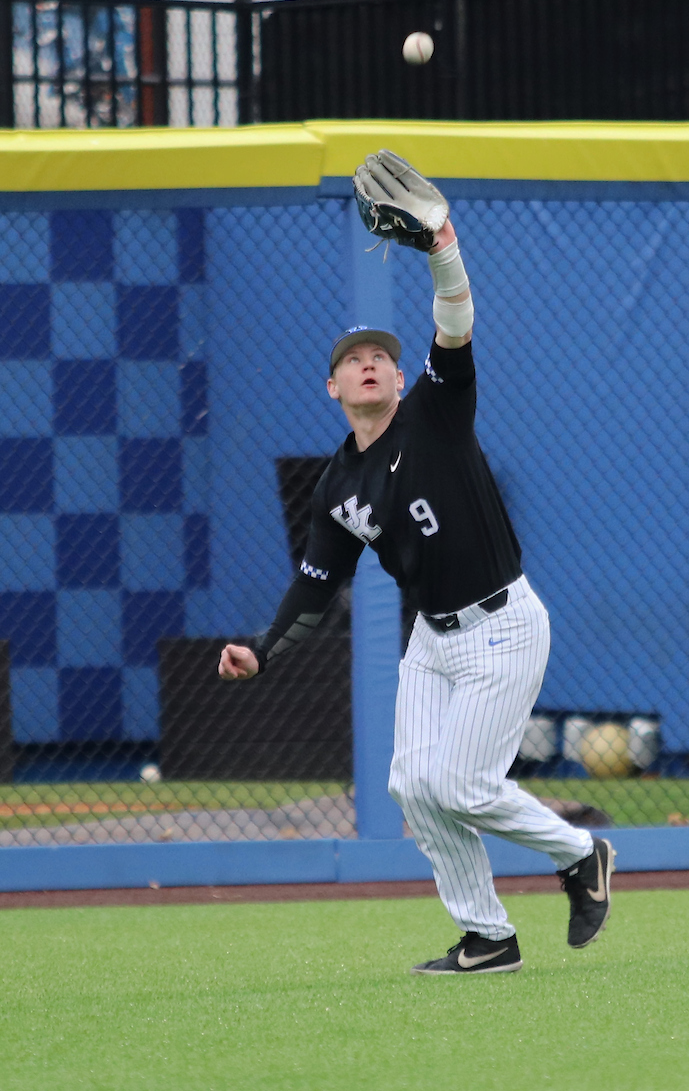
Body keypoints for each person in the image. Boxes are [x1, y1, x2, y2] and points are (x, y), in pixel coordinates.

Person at [219, 151, 615, 974]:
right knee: (411, 787)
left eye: (382, 356)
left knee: (463, 787)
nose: (370, 361)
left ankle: (581, 855)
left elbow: (456, 318)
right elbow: (316, 586)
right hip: (434, 643)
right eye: (353, 359)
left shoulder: (436, 408)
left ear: (402, 377)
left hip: (503, 626)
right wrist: (260, 646)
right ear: (332, 388)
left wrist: (441, 245)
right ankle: (489, 935)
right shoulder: (338, 484)